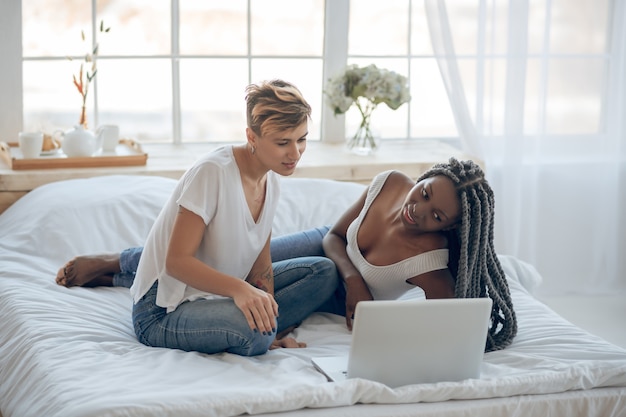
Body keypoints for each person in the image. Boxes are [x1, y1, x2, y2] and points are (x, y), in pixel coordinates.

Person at [58, 158, 517, 353]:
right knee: (228, 254)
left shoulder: (430, 262)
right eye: (425, 193)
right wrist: (357, 278)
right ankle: (117, 264)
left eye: (436, 215)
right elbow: (336, 235)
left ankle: (130, 277)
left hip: (330, 282)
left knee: (248, 273)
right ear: (425, 176)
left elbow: (449, 327)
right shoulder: (393, 181)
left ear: (450, 227)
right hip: (331, 249)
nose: (418, 210)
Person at [55, 79, 342, 357]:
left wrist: (264, 306)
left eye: (302, 139)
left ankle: (261, 326)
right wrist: (243, 294)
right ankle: (122, 273)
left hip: (216, 295)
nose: (295, 153)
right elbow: (176, 262)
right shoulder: (213, 172)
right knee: (256, 334)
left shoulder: (272, 179)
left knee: (323, 272)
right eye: (283, 143)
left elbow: (260, 260)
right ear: (252, 137)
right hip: (163, 310)